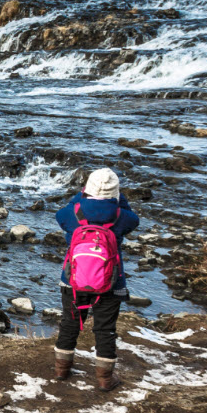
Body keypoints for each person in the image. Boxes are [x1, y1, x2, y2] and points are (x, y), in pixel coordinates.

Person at [52, 167, 139, 391]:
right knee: (106, 328)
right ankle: (104, 379)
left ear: (86, 189)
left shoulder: (73, 212)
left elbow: (60, 215)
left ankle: (62, 370)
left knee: (69, 323)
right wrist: (121, 201)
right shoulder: (121, 216)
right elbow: (134, 220)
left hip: (72, 279)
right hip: (111, 282)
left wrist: (80, 196)